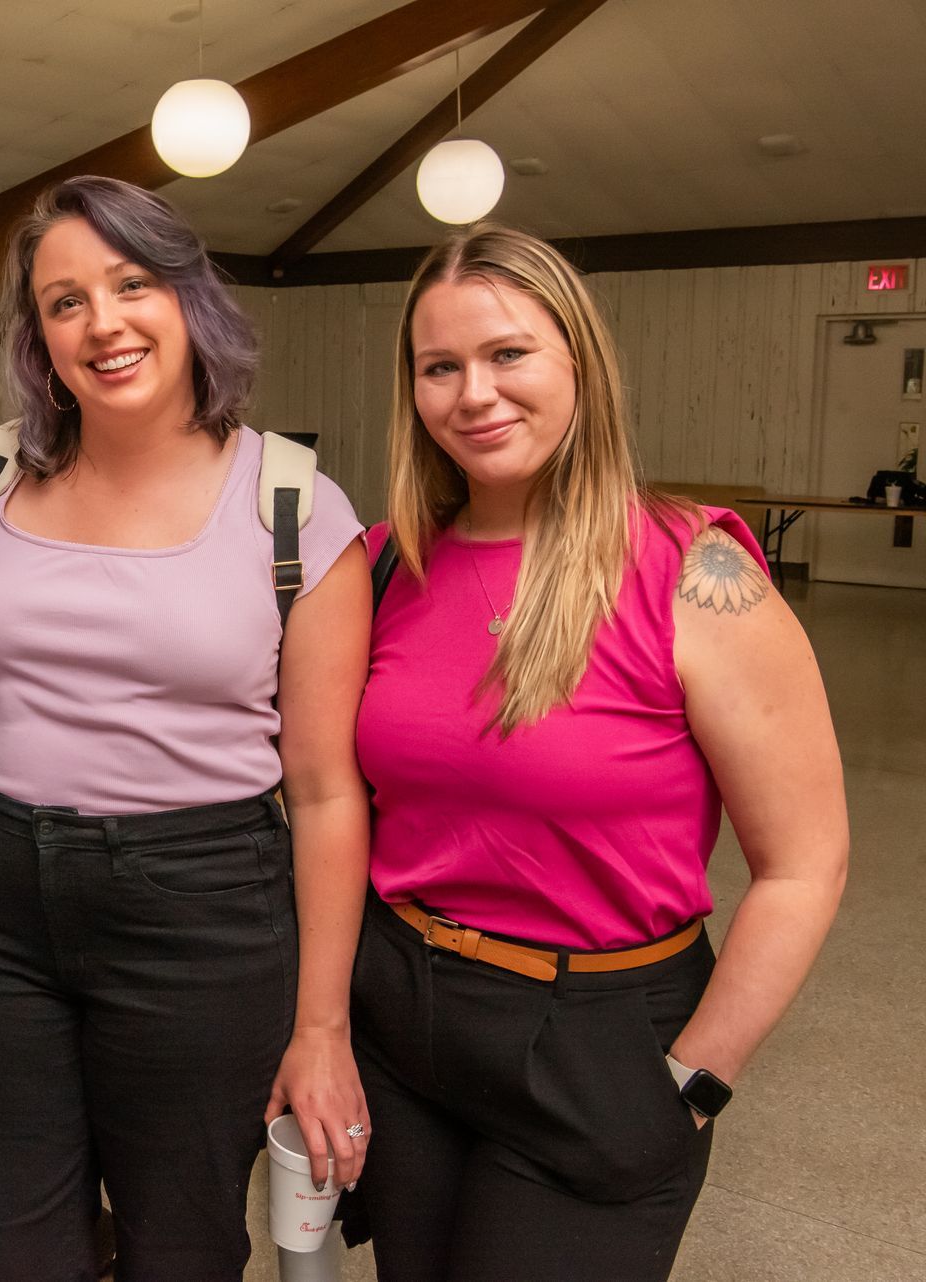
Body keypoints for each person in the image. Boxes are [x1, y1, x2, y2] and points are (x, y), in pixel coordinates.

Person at [350, 223, 849, 1281]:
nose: (475, 394)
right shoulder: (388, 564)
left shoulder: (695, 571)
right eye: (440, 367)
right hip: (400, 1018)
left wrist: (697, 1081)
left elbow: (805, 865)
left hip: (596, 1035)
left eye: (509, 353)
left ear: (580, 359)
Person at [0, 176, 374, 1281]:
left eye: (131, 285)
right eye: (65, 301)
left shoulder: (293, 507)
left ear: (187, 297)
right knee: (10, 1242)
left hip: (204, 911)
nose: (103, 324)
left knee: (182, 1242)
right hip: (5, 900)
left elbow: (325, 792)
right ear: (39, 335)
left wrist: (322, 1027)